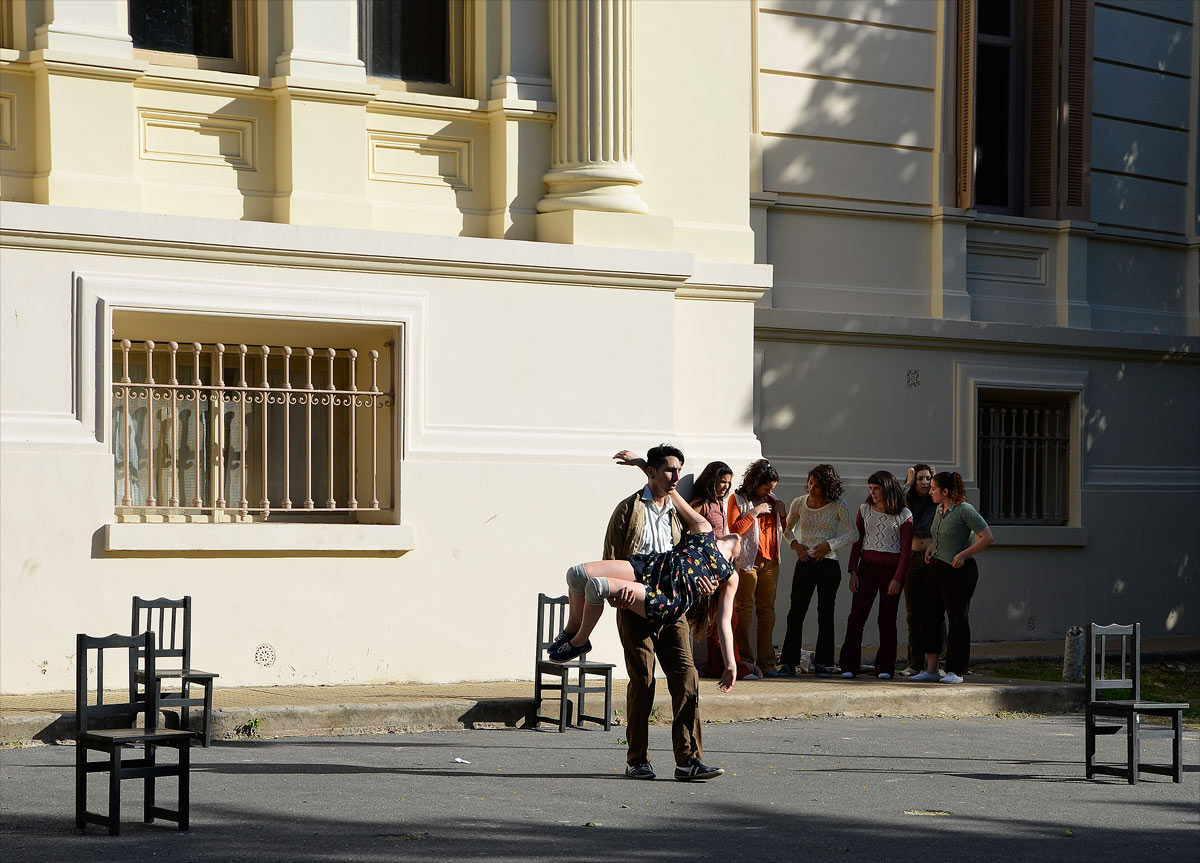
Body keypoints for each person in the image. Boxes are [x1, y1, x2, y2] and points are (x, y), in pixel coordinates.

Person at [551, 446, 740, 782]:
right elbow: (610, 555)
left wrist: (706, 585)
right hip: (635, 601)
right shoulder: (628, 509)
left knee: (687, 677)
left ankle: (689, 760)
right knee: (643, 681)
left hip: (673, 608)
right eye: (669, 470)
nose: (676, 477)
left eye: (679, 470)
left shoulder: (680, 514)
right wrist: (613, 597)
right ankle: (638, 759)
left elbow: (694, 561)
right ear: (652, 472)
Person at [909, 471, 995, 685]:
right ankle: (931, 669)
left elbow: (987, 537)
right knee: (929, 616)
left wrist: (964, 554)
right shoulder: (939, 509)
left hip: (959, 571)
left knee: (957, 618)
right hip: (937, 568)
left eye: (934, 488)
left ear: (945, 491)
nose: (930, 491)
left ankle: (956, 670)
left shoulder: (965, 510)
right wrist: (930, 548)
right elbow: (941, 537)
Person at [776, 464, 856, 676]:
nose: (812, 488)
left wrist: (829, 545)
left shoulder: (838, 504)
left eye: (818, 485)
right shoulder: (800, 503)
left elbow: (853, 534)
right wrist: (795, 545)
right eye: (810, 482)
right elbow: (787, 528)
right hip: (805, 562)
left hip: (829, 563)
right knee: (796, 612)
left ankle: (823, 663)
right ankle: (788, 662)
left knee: (825, 613)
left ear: (828, 487)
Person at [839, 471, 913, 679]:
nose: (872, 492)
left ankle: (885, 668)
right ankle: (849, 666)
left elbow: (906, 551)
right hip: (867, 569)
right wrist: (853, 571)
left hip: (891, 571)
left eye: (876, 488)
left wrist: (898, 578)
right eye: (870, 488)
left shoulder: (904, 514)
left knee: (886, 619)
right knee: (856, 617)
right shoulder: (864, 510)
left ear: (887, 488)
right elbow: (857, 540)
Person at [690, 461, 759, 680]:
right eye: (721, 481)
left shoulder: (719, 504)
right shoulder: (701, 505)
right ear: (711, 480)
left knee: (727, 618)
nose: (725, 487)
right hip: (707, 567)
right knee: (719, 619)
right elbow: (692, 536)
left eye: (728, 483)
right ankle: (726, 665)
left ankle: (722, 665)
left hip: (725, 565)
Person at [726, 459, 785, 676]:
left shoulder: (773, 500)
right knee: (744, 611)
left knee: (767, 612)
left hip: (770, 561)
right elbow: (734, 529)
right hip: (747, 562)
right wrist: (754, 512)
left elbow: (781, 530)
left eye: (772, 488)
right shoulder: (738, 499)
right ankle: (745, 661)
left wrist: (784, 514)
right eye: (767, 487)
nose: (769, 491)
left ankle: (767, 662)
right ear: (756, 482)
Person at [898, 464, 942, 676]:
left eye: (928, 479)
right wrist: (908, 480)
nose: (924, 483)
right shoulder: (909, 502)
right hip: (913, 558)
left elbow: (946, 497)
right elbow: (898, 501)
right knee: (913, 611)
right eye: (920, 479)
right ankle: (915, 663)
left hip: (934, 558)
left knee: (935, 610)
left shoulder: (936, 502)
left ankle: (938, 663)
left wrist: (937, 477)